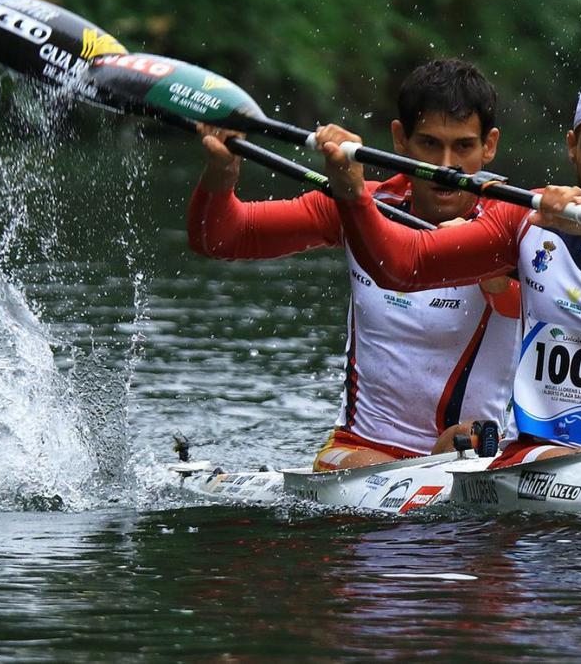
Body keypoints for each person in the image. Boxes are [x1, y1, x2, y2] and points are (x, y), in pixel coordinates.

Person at [318, 65, 581, 469]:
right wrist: (354, 195)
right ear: (572, 148)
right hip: (531, 459)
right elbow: (403, 266)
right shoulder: (526, 217)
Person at [187, 59, 520, 472]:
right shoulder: (364, 206)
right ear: (400, 139)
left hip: (464, 449)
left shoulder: (511, 231)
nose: (444, 166)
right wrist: (222, 171)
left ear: (489, 146)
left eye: (463, 147)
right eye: (430, 144)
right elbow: (222, 238)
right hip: (358, 451)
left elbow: (526, 307)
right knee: (403, 456)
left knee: (465, 434)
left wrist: (487, 268)